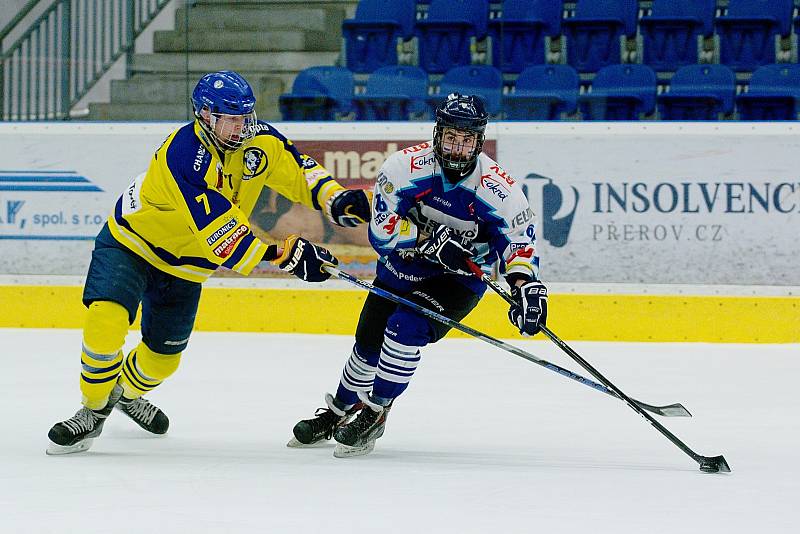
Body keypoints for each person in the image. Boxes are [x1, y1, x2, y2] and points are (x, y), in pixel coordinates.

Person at [46, 70, 371, 455]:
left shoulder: (259, 141)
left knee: (161, 361)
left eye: (244, 116)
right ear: (204, 116)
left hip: (188, 265)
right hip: (132, 243)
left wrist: (335, 198)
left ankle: (125, 394)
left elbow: (298, 170)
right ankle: (93, 409)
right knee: (107, 316)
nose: (240, 126)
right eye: (230, 118)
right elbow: (221, 233)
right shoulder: (182, 155)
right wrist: (287, 256)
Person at [289, 93, 548, 457]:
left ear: (479, 140)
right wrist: (428, 241)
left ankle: (375, 412)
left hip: (457, 279)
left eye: (467, 140)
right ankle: (338, 411)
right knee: (366, 346)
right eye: (451, 137)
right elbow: (381, 233)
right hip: (403, 266)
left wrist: (526, 285)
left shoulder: (499, 189)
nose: (458, 148)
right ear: (438, 133)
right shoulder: (403, 167)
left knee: (404, 328)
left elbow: (519, 241)